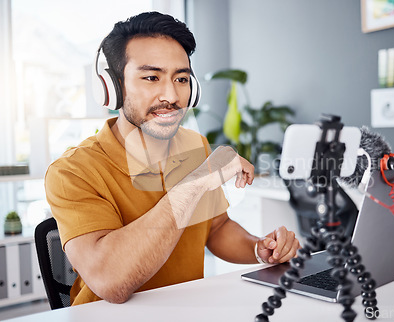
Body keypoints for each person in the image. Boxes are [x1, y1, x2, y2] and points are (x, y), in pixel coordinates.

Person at [44, 11, 300, 306]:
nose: (171, 94)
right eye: (151, 77)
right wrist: (194, 183)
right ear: (113, 87)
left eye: (181, 78)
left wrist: (259, 248)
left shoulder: (195, 146)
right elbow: (110, 282)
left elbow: (216, 228)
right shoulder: (73, 171)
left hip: (186, 310)